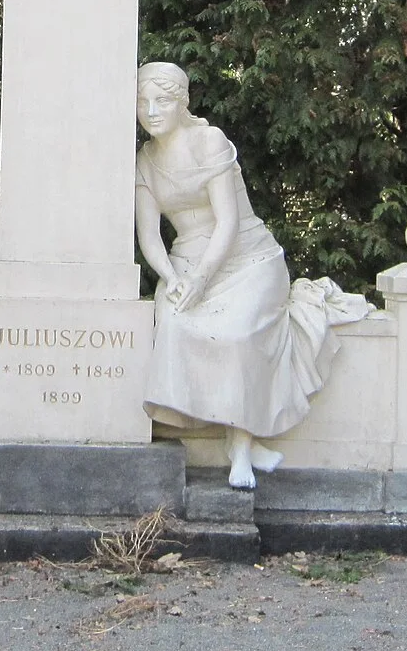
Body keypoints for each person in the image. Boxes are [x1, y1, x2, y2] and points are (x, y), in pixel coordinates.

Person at [135, 62, 371, 488]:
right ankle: (236, 439)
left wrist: (202, 280)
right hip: (186, 262)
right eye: (142, 102)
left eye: (162, 101)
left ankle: (241, 448)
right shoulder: (146, 161)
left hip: (247, 257)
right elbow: (149, 234)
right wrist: (171, 278)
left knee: (240, 333)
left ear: (182, 103)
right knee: (173, 322)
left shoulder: (209, 142)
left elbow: (227, 222)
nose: (151, 111)